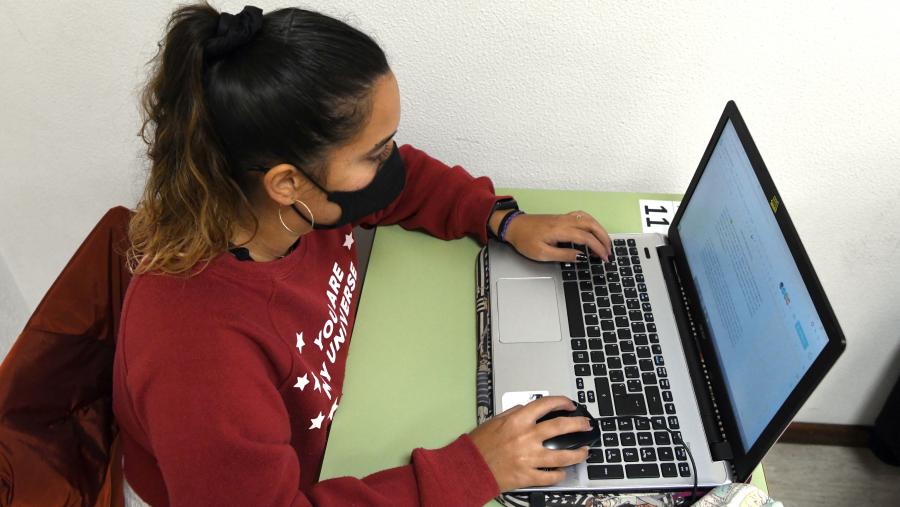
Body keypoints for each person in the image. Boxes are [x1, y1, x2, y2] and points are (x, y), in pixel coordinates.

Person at [112, 2, 613, 506]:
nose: (391, 163)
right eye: (376, 154)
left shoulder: (284, 206)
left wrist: (501, 219)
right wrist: (471, 469)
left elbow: (403, 182)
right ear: (287, 182)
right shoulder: (196, 353)